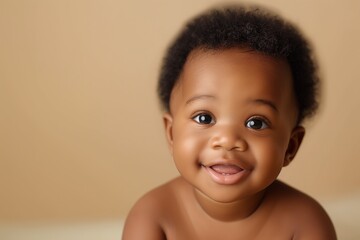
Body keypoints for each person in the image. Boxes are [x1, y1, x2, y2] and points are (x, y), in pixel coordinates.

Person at [122, 4, 336, 240]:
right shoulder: (153, 217)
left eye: (256, 123)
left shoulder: (306, 223)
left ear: (291, 146)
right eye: (204, 118)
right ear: (171, 133)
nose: (227, 140)